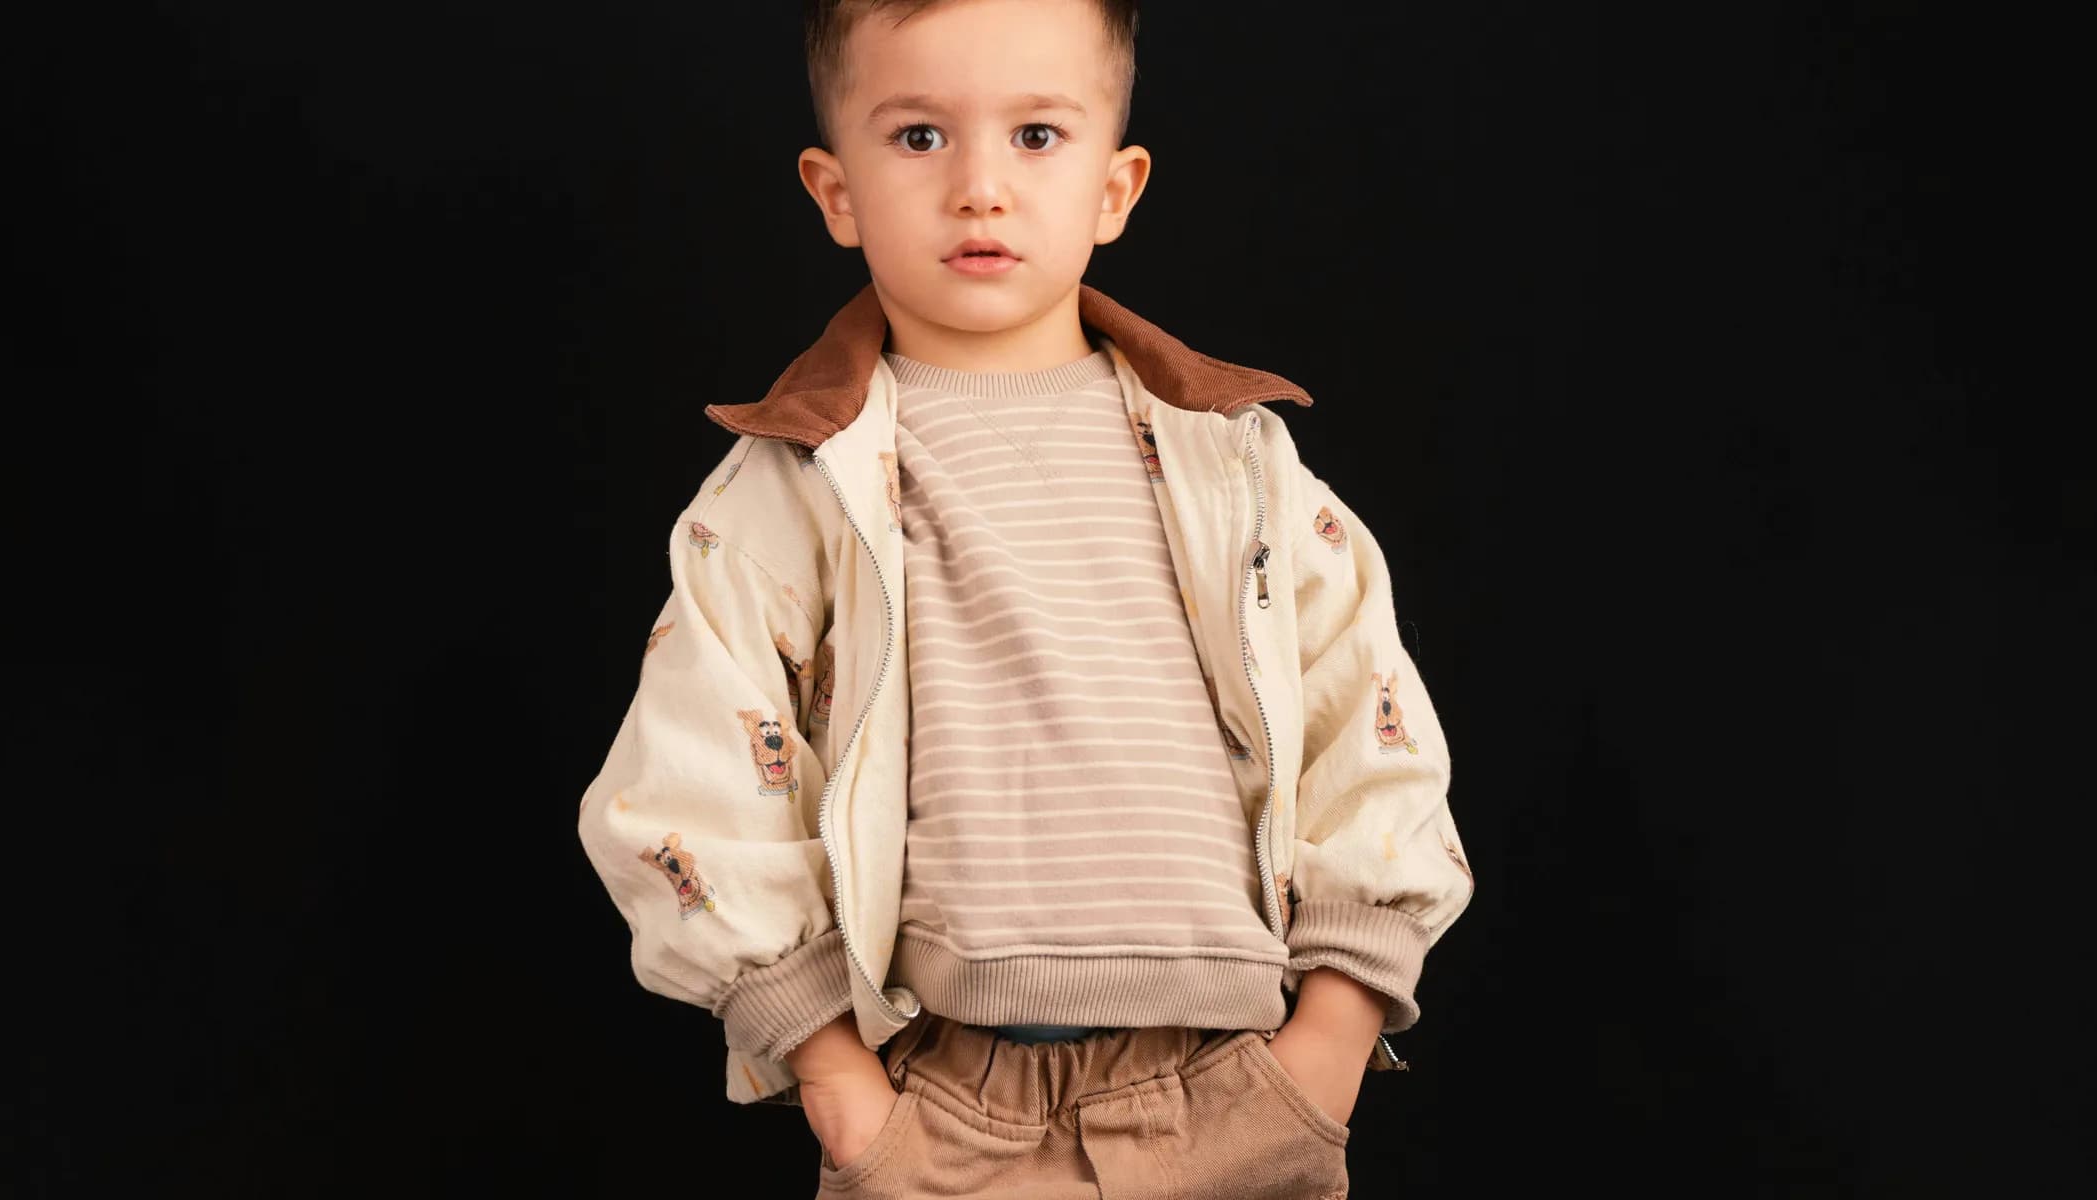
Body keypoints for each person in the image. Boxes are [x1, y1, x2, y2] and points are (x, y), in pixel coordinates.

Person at [575, 0, 1474, 1192]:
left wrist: (1330, 1044)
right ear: (835, 191)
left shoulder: (1235, 459)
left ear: (1116, 185)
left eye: (1038, 136)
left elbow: (1371, 727)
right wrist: (841, 1087)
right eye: (918, 138)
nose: (980, 188)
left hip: (1237, 1075)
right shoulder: (794, 482)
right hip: (940, 1103)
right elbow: (686, 779)